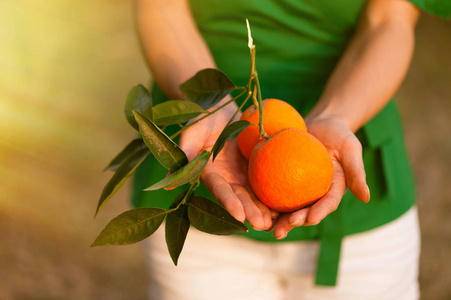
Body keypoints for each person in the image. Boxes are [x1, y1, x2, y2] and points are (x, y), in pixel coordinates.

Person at [131, 0, 450, 299]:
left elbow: (388, 20)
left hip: (362, 221)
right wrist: (211, 107)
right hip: (203, 186)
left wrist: (335, 116)